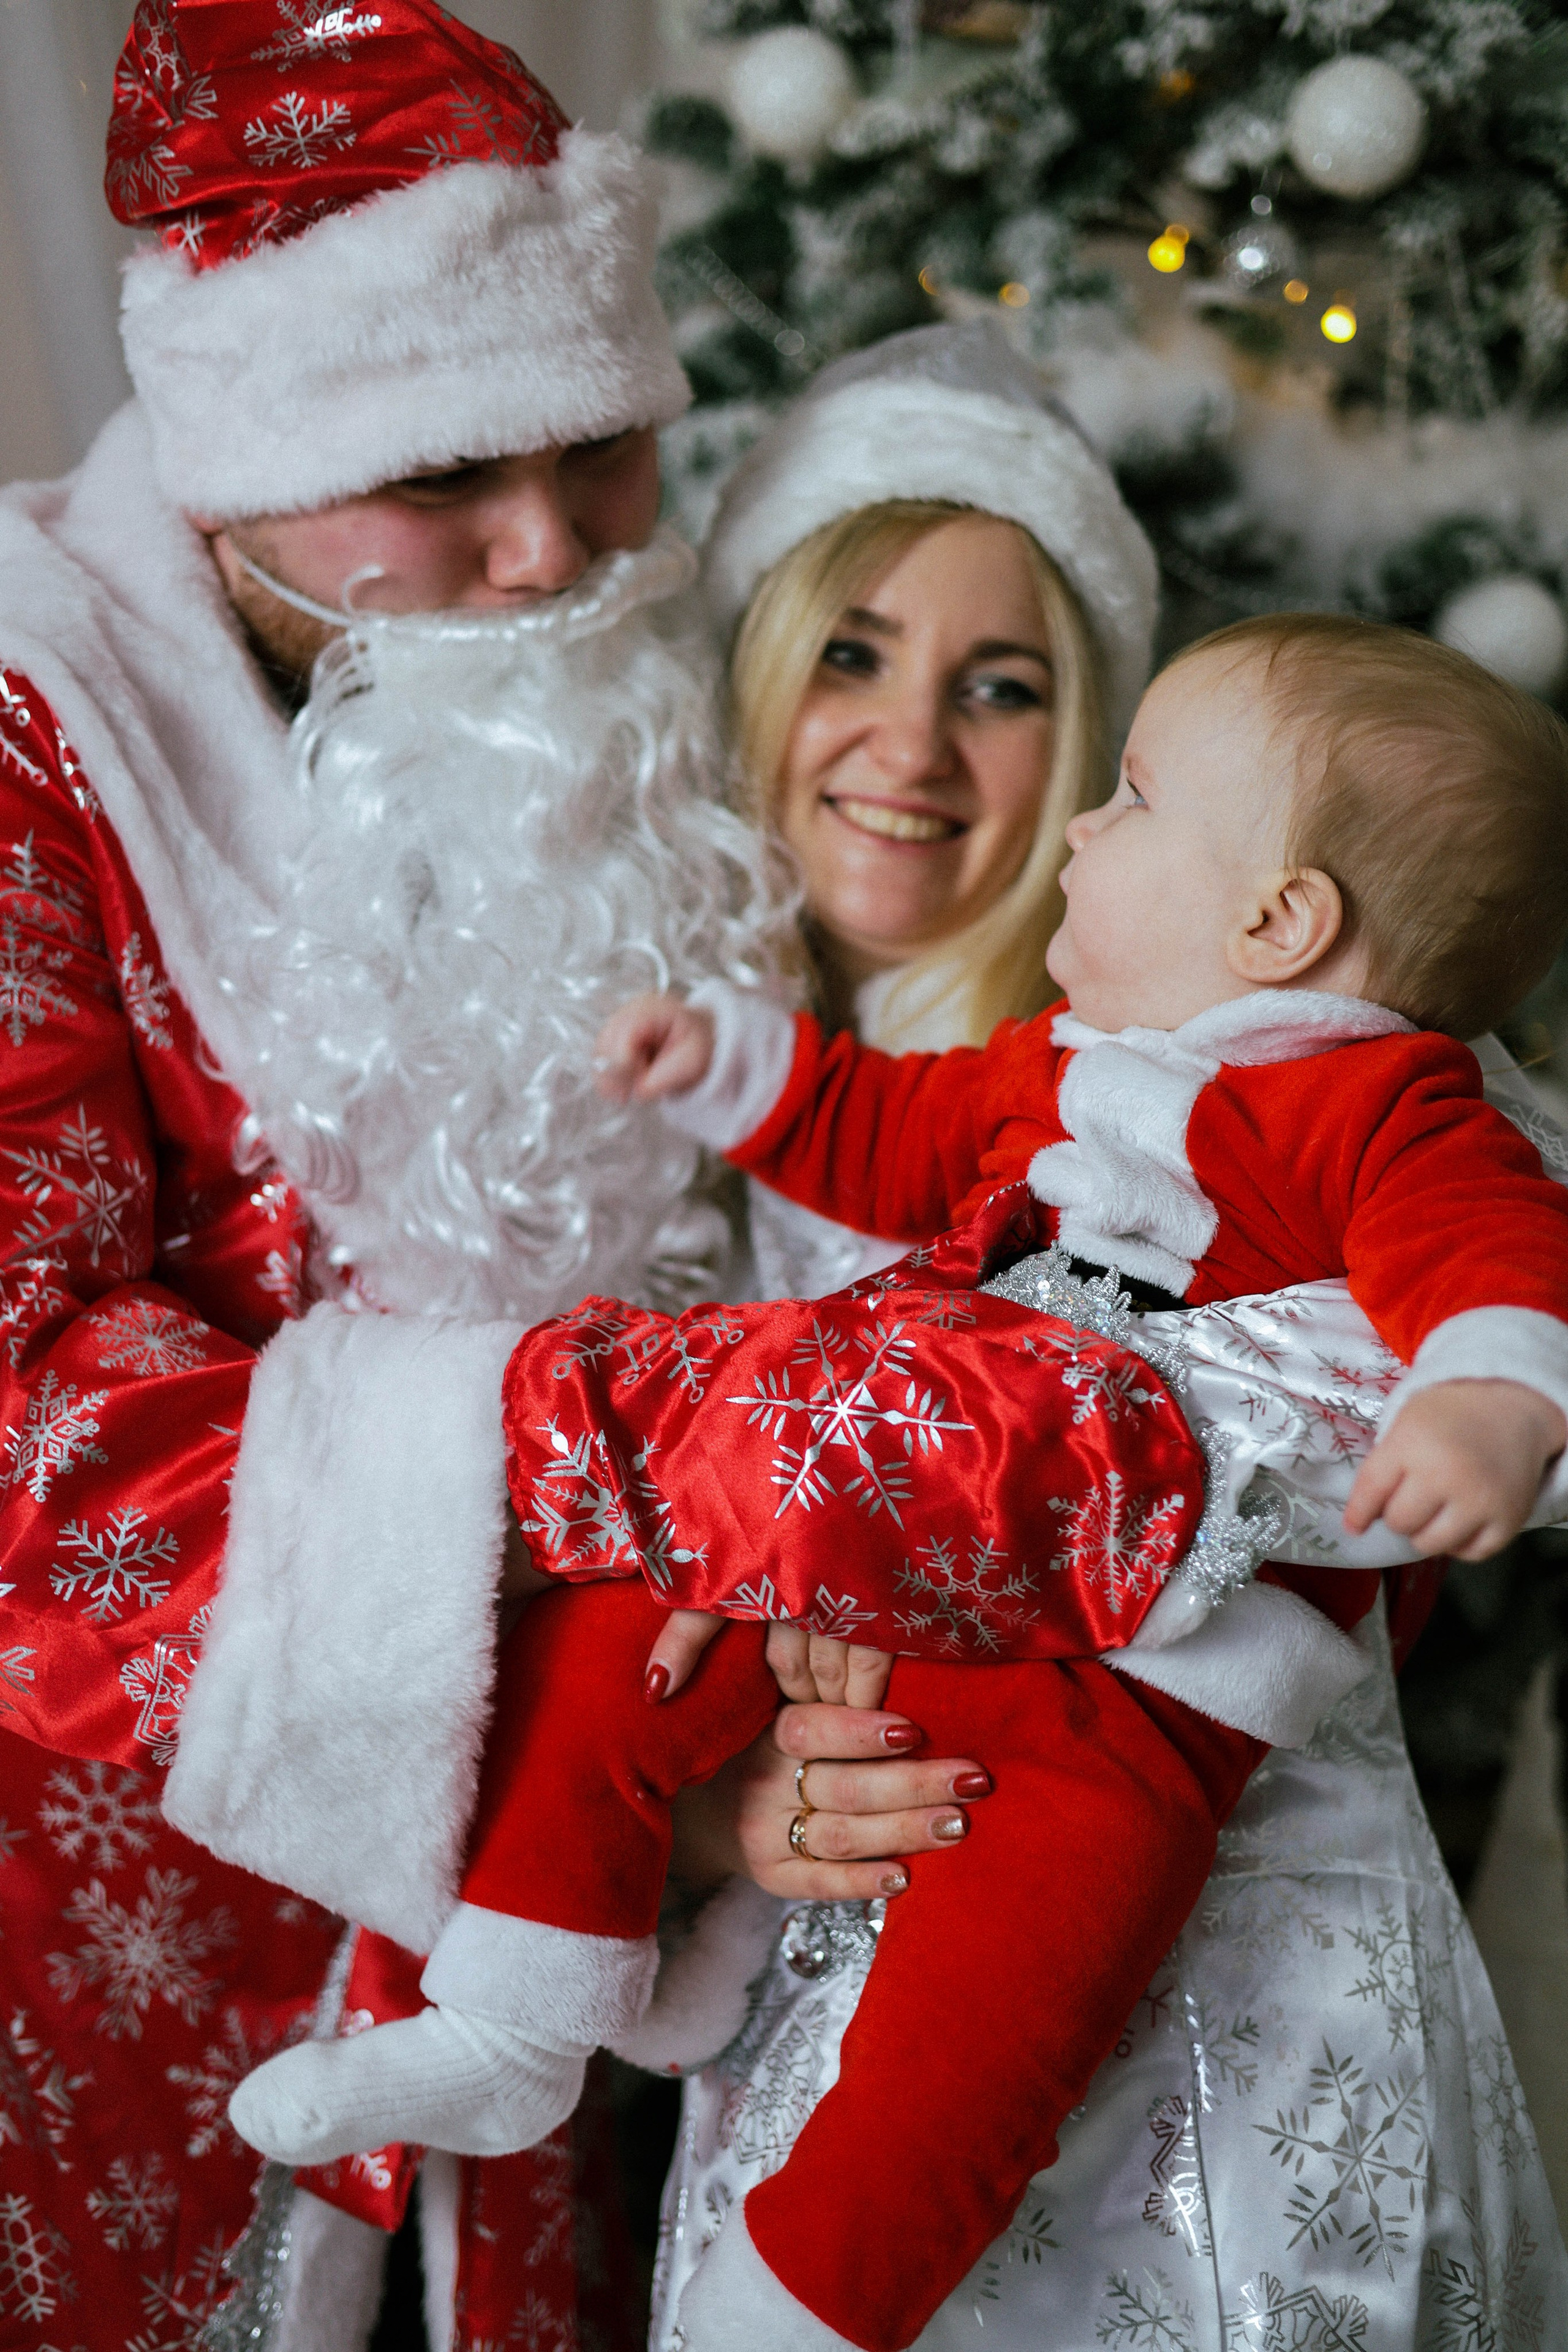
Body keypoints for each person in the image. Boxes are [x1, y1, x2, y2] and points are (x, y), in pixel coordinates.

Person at [230, 608, 1568, 2350]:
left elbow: (1489, 1263)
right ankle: (513, 2015)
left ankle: (794, 2307)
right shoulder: (1074, 1066)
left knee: (982, 2026)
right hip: (866, 1616)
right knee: (617, 1655)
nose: (1090, 827)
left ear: (1280, 921)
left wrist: (1488, 1399)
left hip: (1144, 1690)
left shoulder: (1381, 1106)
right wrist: (730, 1066)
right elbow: (891, 1124)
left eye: (1135, 797)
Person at [0, 10, 989, 2346]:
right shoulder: (31, 738)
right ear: (248, 465)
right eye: (444, 472)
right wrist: (652, 1509)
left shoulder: (667, 685)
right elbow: (31, 1428)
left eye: (602, 450)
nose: (549, 555)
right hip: (124, 1923)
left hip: (574, 1902)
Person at [633, 335, 1568, 2352]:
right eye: (849, 652)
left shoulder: (1263, 1086)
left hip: (1192, 1996)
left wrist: (1498, 1387)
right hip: (798, 1973)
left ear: (1275, 915)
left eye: (1012, 689)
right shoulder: (714, 1107)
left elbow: (1445, 1283)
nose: (911, 747)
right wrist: (704, 1813)